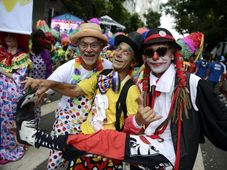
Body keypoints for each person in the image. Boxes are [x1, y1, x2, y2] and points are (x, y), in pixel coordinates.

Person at [17, 28, 227, 170]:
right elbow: (76, 89)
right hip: (91, 143)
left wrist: (138, 121)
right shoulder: (110, 76)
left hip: (116, 154)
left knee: (108, 139)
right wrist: (50, 84)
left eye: (161, 51)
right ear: (144, 57)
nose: (156, 57)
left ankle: (36, 137)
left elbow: (220, 124)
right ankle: (36, 137)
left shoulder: (146, 88)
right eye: (150, 52)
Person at [45, 23, 112, 169]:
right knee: (57, 157)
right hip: (67, 119)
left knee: (84, 162)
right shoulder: (67, 67)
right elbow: (46, 87)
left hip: (93, 122)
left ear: (101, 47)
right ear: (78, 47)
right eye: (83, 45)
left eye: (94, 45)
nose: (88, 50)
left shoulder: (109, 67)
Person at [0, 32, 32, 164]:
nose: (8, 38)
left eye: (11, 36)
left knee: (10, 121)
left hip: (12, 95)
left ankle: (11, 148)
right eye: (6, 35)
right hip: (1, 93)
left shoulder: (22, 57)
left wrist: (2, 71)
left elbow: (20, 78)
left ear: (19, 38)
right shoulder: (1, 52)